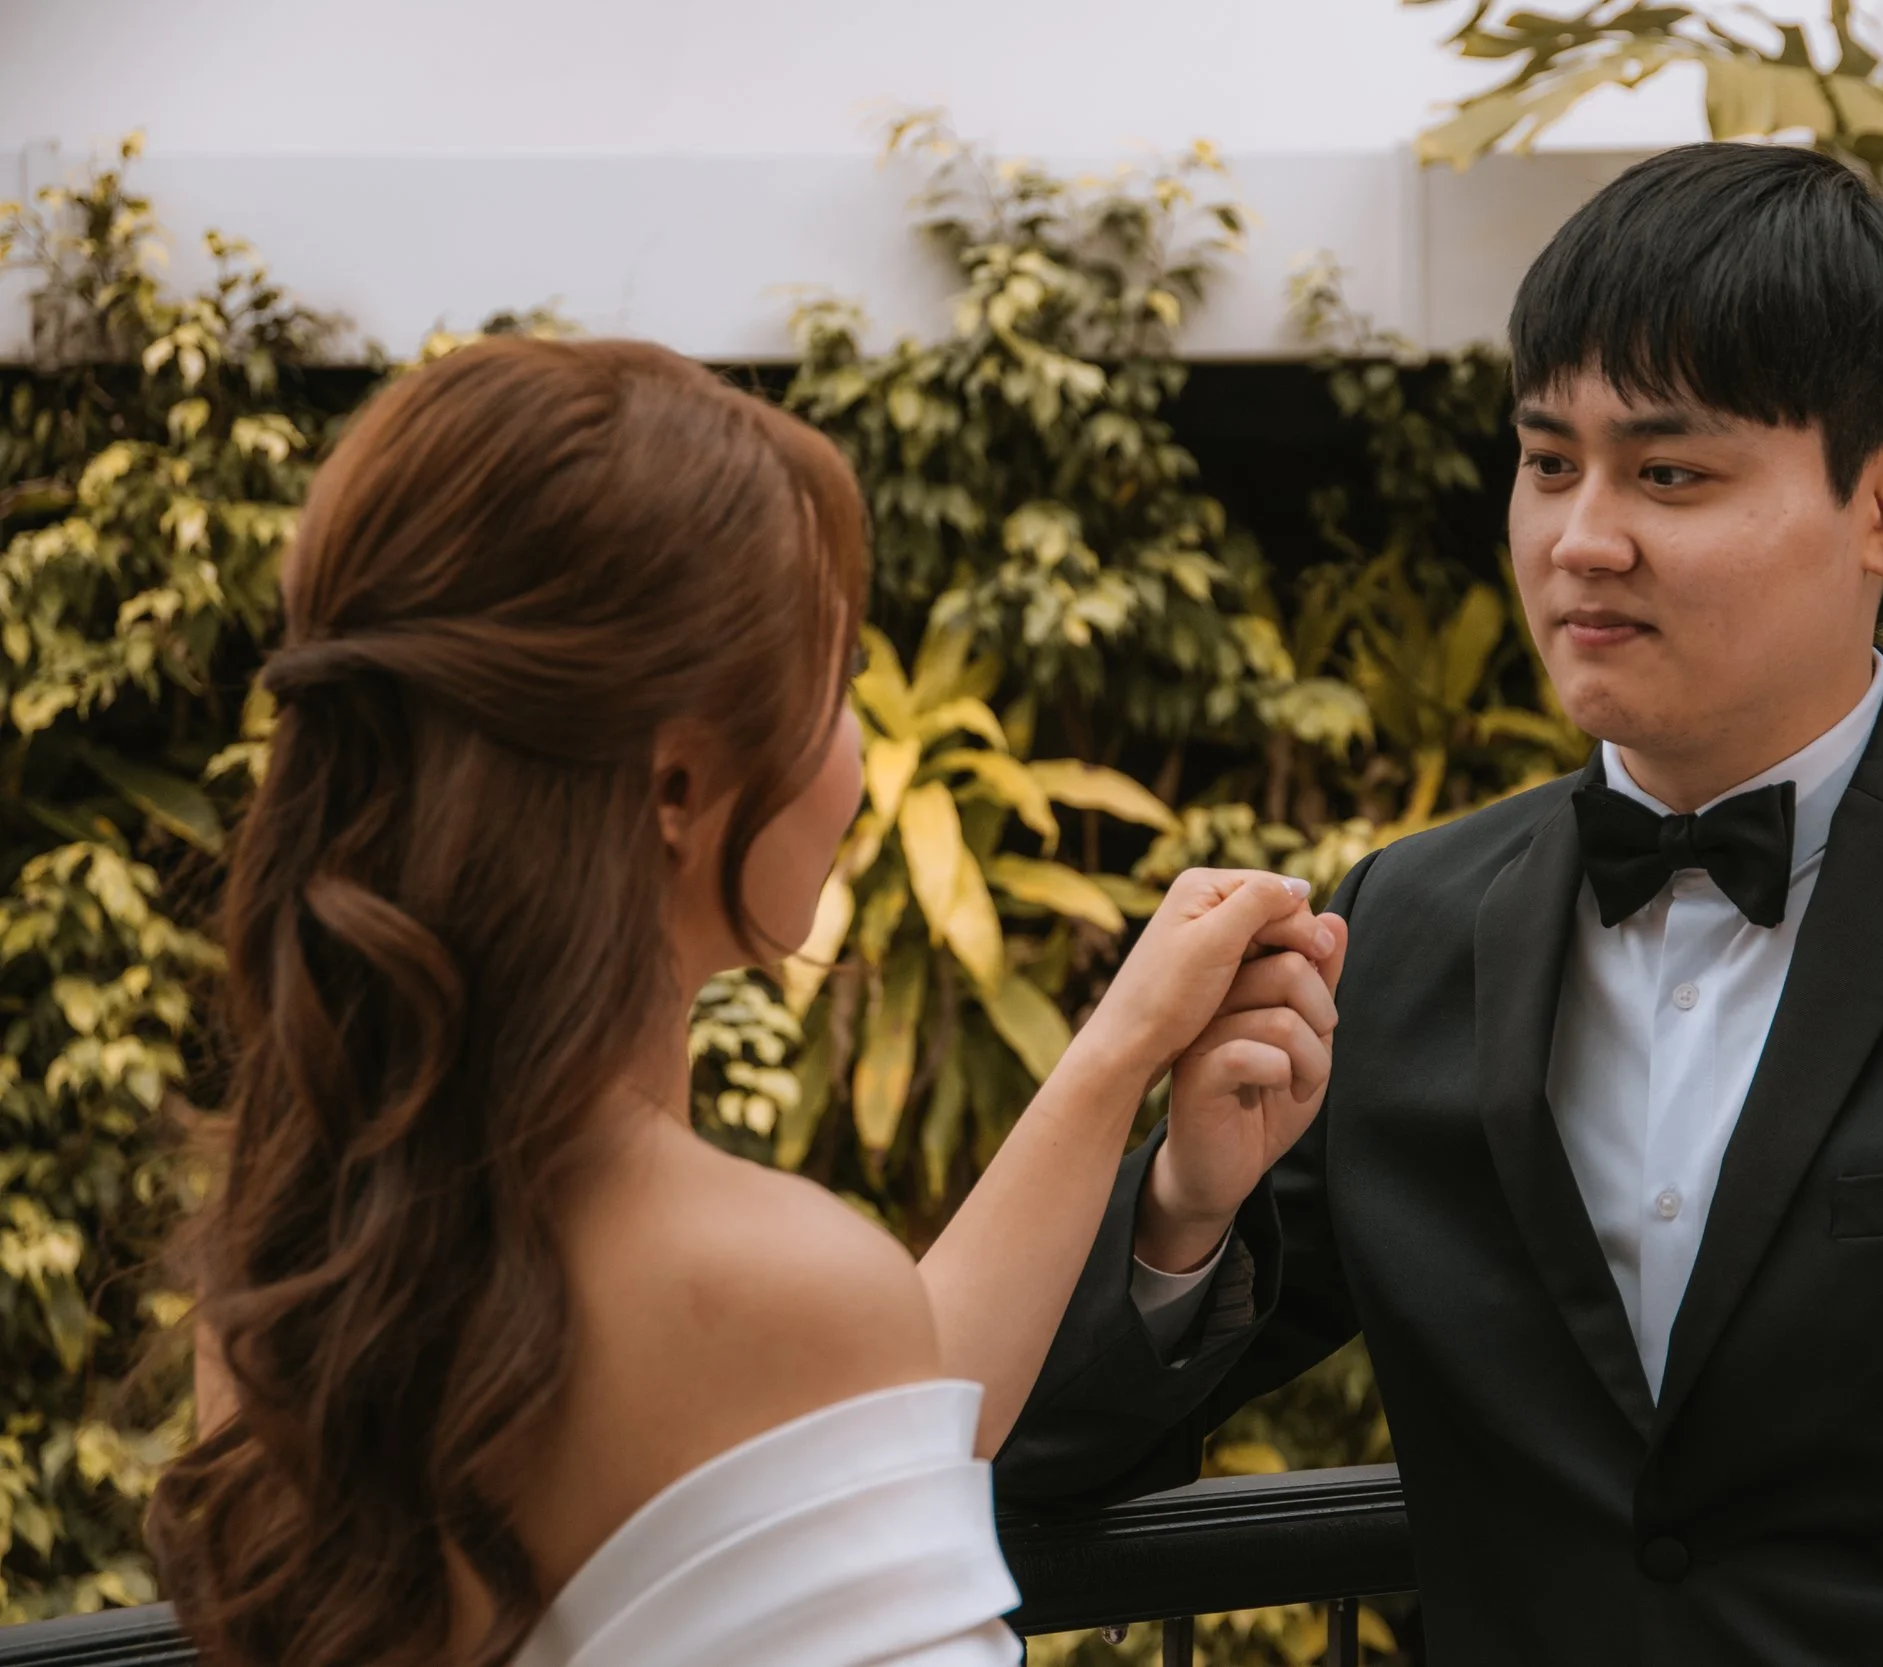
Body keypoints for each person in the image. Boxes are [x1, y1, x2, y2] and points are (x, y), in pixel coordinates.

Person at [997, 143, 1883, 1664]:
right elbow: (1030, 1454)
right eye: (1550, 461)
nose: (1578, 539)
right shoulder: (1403, 924)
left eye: (1667, 472)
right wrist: (1182, 1209)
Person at [144, 336, 1347, 1667]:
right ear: (675, 792)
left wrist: (1119, 1054)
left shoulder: (300, 1260)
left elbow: (831, 1432)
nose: (857, 747)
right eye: (828, 685)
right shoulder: (767, 1278)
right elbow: (835, 1375)